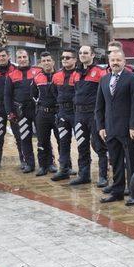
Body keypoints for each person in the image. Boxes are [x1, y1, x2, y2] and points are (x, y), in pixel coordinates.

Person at [95, 50, 134, 206]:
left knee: (131, 162)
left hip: (128, 129)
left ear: (124, 61)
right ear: (109, 61)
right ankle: (117, 192)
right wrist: (101, 126)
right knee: (115, 161)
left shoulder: (132, 78)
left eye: (118, 60)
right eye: (112, 60)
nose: (115, 62)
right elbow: (99, 106)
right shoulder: (104, 80)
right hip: (110, 128)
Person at [69, 45, 109, 186]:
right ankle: (84, 175)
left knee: (100, 146)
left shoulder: (100, 72)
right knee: (81, 145)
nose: (82, 55)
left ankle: (103, 176)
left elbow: (106, 94)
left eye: (86, 53)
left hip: (94, 114)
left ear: (92, 55)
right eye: (80, 53)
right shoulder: (76, 73)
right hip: (79, 115)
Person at [4, 49, 40, 173]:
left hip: (37, 110)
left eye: (24, 57)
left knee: (43, 137)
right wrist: (10, 112)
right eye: (19, 57)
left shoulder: (38, 71)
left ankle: (48, 163)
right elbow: (7, 96)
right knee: (24, 137)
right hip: (21, 111)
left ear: (28, 57)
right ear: (16, 59)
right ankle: (29, 164)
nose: (22, 59)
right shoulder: (11, 75)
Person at [51, 49, 78, 181]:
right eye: (63, 57)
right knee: (63, 142)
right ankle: (64, 170)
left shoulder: (79, 74)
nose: (65, 59)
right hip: (62, 112)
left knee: (82, 143)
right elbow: (54, 92)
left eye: (68, 57)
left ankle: (85, 172)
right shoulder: (56, 75)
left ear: (74, 60)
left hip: (77, 113)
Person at [32, 51, 59, 176]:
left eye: (48, 60)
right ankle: (44, 165)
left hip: (58, 113)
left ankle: (65, 165)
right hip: (42, 114)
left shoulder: (60, 76)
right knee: (42, 141)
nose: (46, 63)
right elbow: (33, 95)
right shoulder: (37, 77)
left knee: (62, 140)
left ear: (53, 62)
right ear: (40, 63)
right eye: (43, 61)